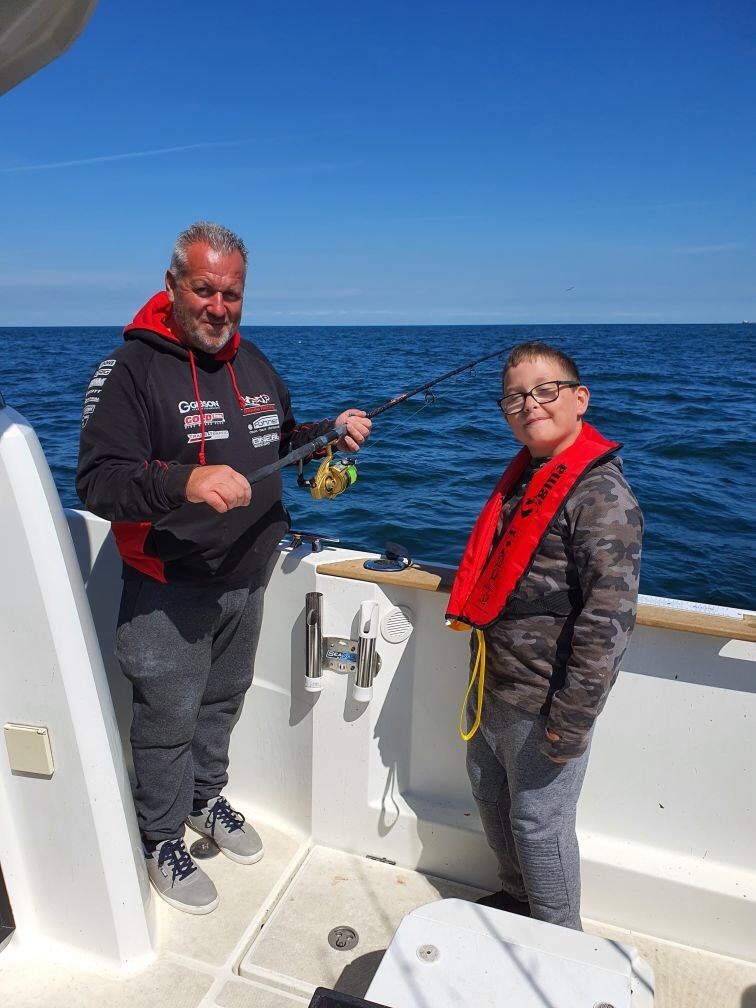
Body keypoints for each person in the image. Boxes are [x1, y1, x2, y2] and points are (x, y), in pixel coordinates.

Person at [76, 221, 371, 915]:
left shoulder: (256, 364)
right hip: (168, 585)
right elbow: (99, 481)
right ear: (174, 284)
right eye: (204, 289)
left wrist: (326, 433)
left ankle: (205, 800)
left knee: (223, 701)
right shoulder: (129, 371)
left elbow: (280, 437)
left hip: (250, 572)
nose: (218, 306)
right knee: (167, 715)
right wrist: (185, 482)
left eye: (231, 293)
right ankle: (158, 838)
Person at [446, 341, 642, 930]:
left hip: (546, 701)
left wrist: (573, 719)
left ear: (580, 399)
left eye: (545, 390)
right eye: (514, 396)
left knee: (539, 823)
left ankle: (560, 937)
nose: (529, 404)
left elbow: (607, 623)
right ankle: (516, 899)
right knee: (491, 798)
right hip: (491, 683)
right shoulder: (527, 478)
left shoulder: (602, 497)